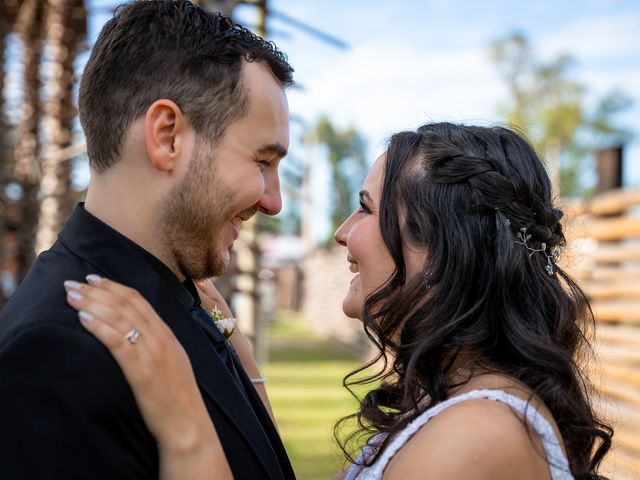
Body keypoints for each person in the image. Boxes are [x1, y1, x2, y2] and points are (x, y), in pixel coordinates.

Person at [63, 122, 612, 479]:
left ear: (446, 252)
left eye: (367, 210)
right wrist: (240, 357)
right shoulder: (465, 403)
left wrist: (185, 428)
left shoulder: (479, 438)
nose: (342, 233)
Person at [0, 1, 295, 479]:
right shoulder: (52, 352)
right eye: (263, 161)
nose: (274, 201)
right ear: (168, 136)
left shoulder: (179, 296)